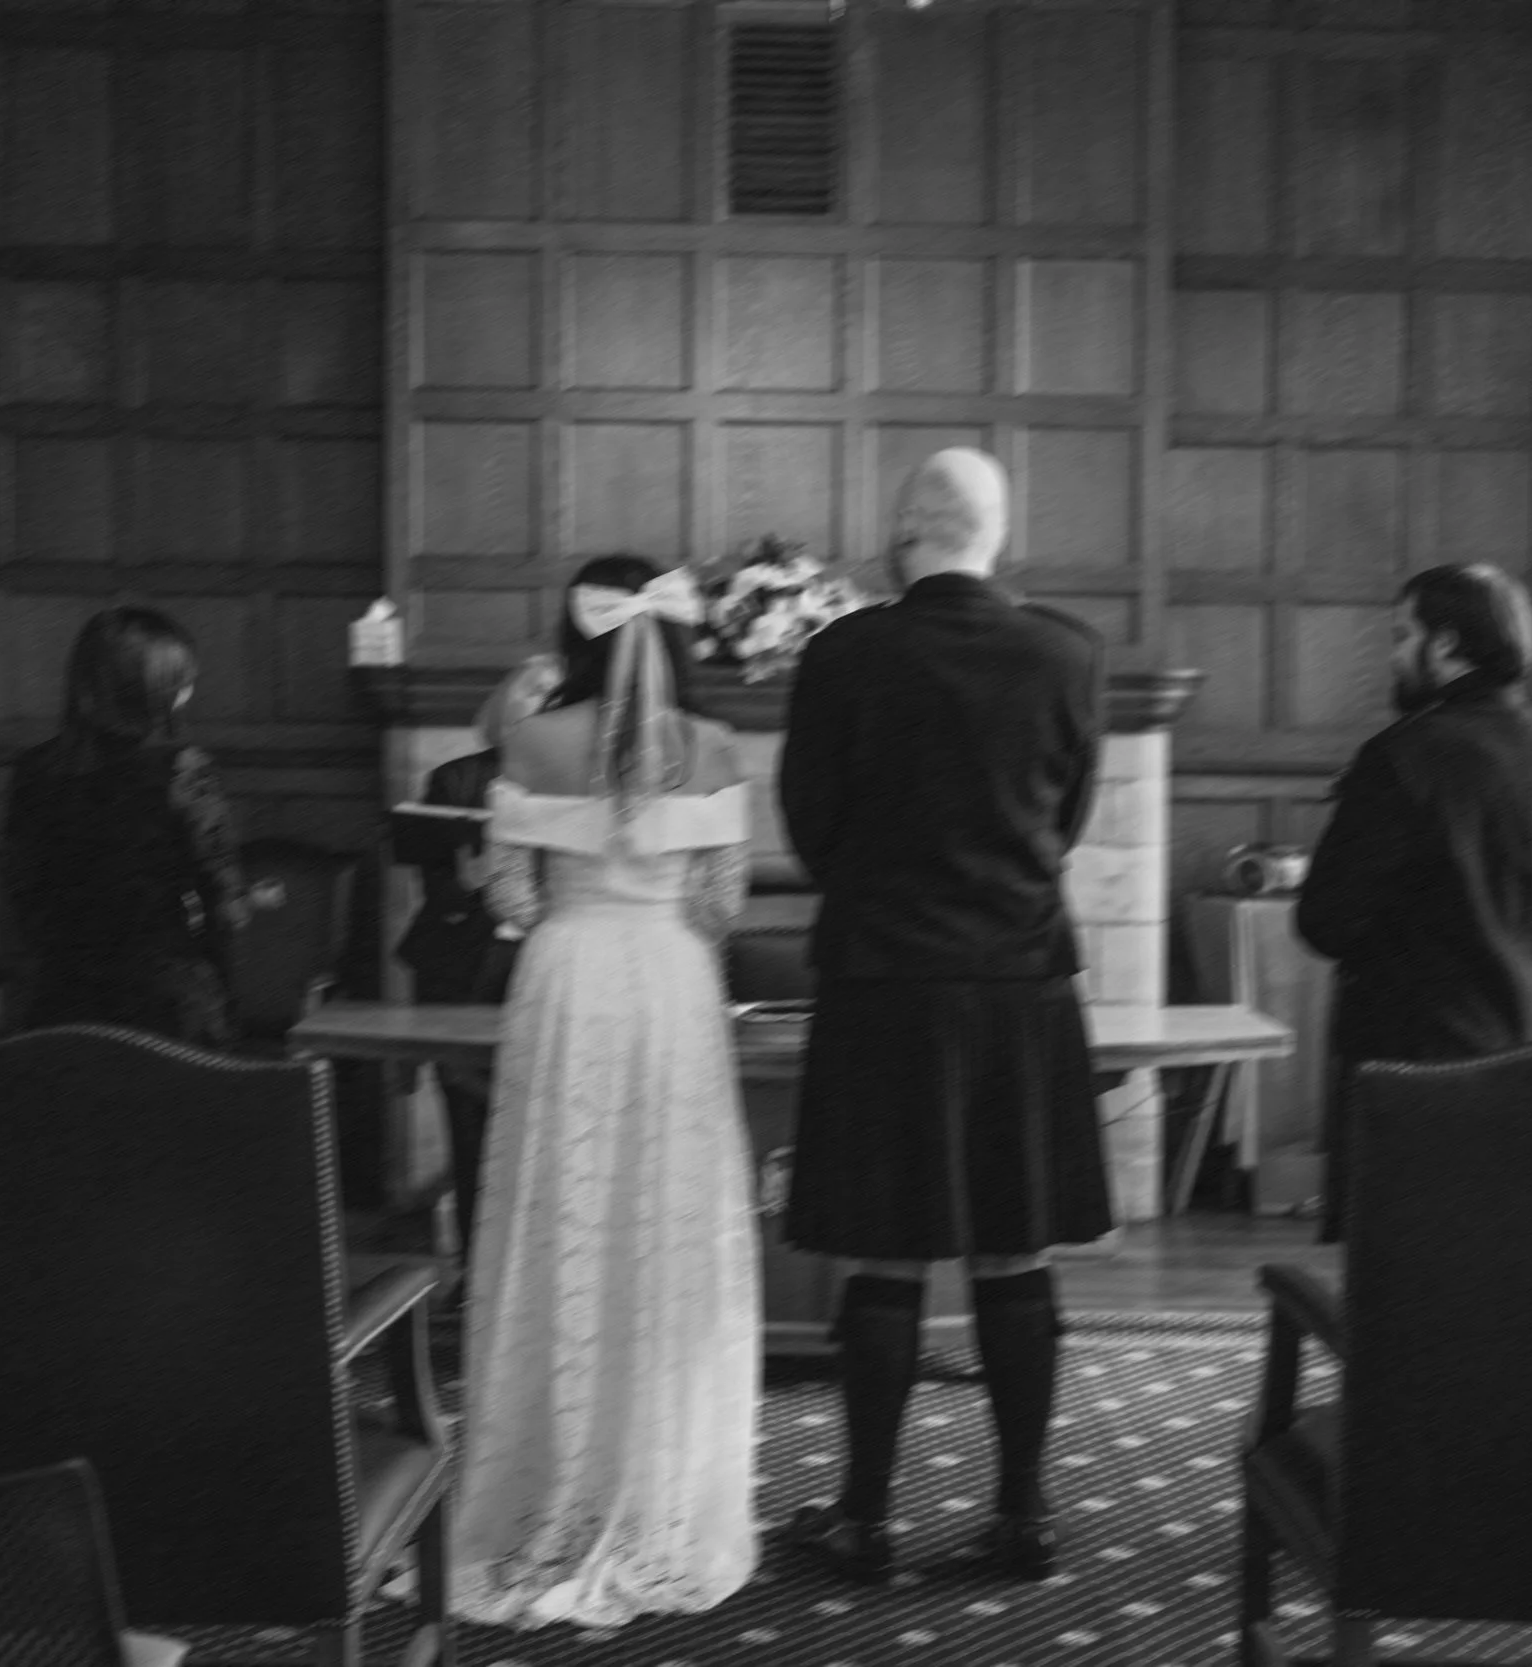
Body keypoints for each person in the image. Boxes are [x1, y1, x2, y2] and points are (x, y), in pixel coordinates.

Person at [779, 448, 1108, 1584]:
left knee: (887, 1250)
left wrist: (882, 887)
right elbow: (1067, 816)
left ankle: (865, 1513)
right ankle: (1023, 1511)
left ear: (908, 526)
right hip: (1019, 979)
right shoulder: (1067, 653)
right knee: (1013, 1248)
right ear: (995, 534)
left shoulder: (844, 652)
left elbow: (809, 822)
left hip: (884, 978)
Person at [451, 554, 762, 1628]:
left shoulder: (530, 738)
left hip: (568, 981)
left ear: (573, 635)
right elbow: (722, 905)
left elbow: (507, 895)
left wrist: (568, 899)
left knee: (565, 1218)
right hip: (670, 984)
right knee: (664, 1228)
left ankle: (548, 1476)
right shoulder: (715, 746)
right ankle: (658, 1481)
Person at [1294, 562, 1532, 1242]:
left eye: (1403, 635)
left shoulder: (1401, 757)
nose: (1393, 655)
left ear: (1448, 644)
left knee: (1408, 1281)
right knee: (1507, 1267)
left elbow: (1325, 919)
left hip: (1417, 1067)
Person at [0, 607, 247, 1047]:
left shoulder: (33, 771)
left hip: (60, 1002)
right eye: (180, 681)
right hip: (162, 1004)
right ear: (154, 690)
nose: (188, 691)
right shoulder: (183, 769)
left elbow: (20, 897)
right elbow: (224, 904)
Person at [391, 655, 561, 1253]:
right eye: (535, 689)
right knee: (471, 1129)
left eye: (559, 694)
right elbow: (436, 889)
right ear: (508, 699)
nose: (546, 701)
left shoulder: (583, 781)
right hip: (464, 962)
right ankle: (474, 1268)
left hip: (552, 968)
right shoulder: (457, 779)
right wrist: (472, 878)